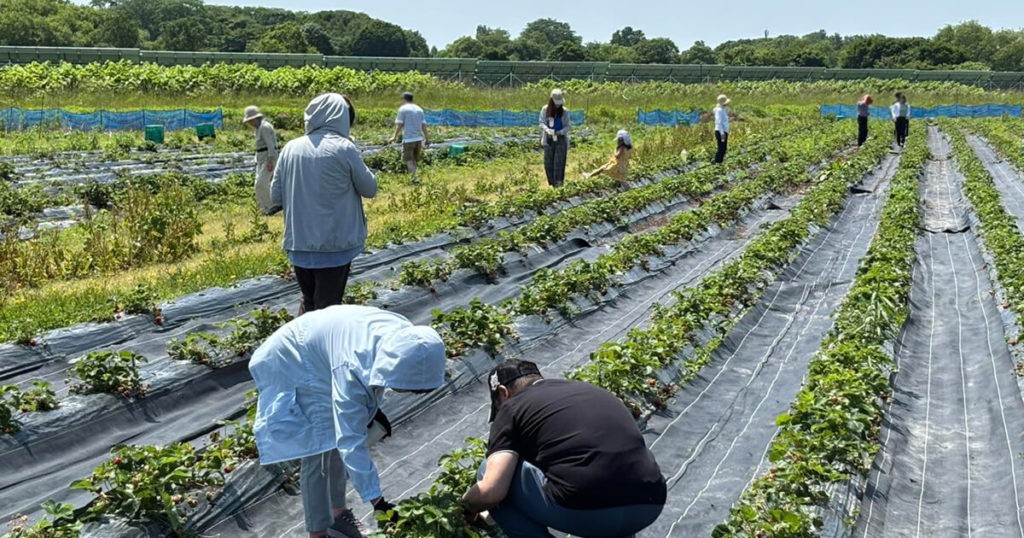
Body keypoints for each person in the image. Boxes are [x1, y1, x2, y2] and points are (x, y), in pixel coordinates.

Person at [250, 305, 448, 538]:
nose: (404, 390)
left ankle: (337, 514)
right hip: (294, 356)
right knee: (319, 449)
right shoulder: (351, 367)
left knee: (334, 443)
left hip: (325, 347)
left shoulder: (409, 340)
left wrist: (370, 407)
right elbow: (351, 440)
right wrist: (378, 502)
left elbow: (374, 377)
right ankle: (318, 532)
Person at [462, 360, 666, 538]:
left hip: (591, 513)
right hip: (649, 504)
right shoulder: (590, 390)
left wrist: (466, 508)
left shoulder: (512, 406)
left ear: (503, 393)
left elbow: (490, 492)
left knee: (489, 469)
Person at [268, 93, 377, 313]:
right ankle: (314, 346)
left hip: (298, 243)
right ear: (340, 118)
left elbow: (275, 196)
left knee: (310, 302)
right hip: (333, 246)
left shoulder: (291, 148)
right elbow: (369, 189)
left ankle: (300, 343)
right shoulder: (344, 148)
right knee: (327, 310)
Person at [388, 92, 430, 184]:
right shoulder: (419, 109)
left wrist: (394, 137)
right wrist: (427, 138)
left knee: (409, 159)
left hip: (408, 139)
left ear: (404, 99)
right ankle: (415, 176)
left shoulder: (403, 109)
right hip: (418, 139)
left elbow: (399, 125)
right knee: (414, 159)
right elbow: (423, 125)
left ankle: (414, 178)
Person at [243, 105, 278, 213]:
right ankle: (262, 208)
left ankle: (272, 206)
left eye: (250, 120)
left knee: (261, 183)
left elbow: (271, 145)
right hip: (261, 159)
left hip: (268, 158)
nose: (249, 123)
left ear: (254, 118)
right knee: (258, 185)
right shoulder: (258, 129)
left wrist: (271, 160)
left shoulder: (264, 127)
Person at [540, 89, 571, 188]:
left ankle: (558, 184)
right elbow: (542, 122)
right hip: (548, 138)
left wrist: (560, 132)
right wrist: (547, 130)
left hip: (561, 139)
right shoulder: (545, 109)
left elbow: (568, 126)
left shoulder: (564, 111)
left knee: (559, 162)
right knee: (548, 162)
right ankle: (551, 184)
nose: (557, 105)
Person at [713, 94, 731, 164]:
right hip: (721, 131)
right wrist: (722, 133)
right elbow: (718, 122)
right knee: (721, 148)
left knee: (723, 148)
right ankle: (717, 163)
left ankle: (719, 162)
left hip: (723, 131)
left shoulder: (723, 110)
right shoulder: (719, 110)